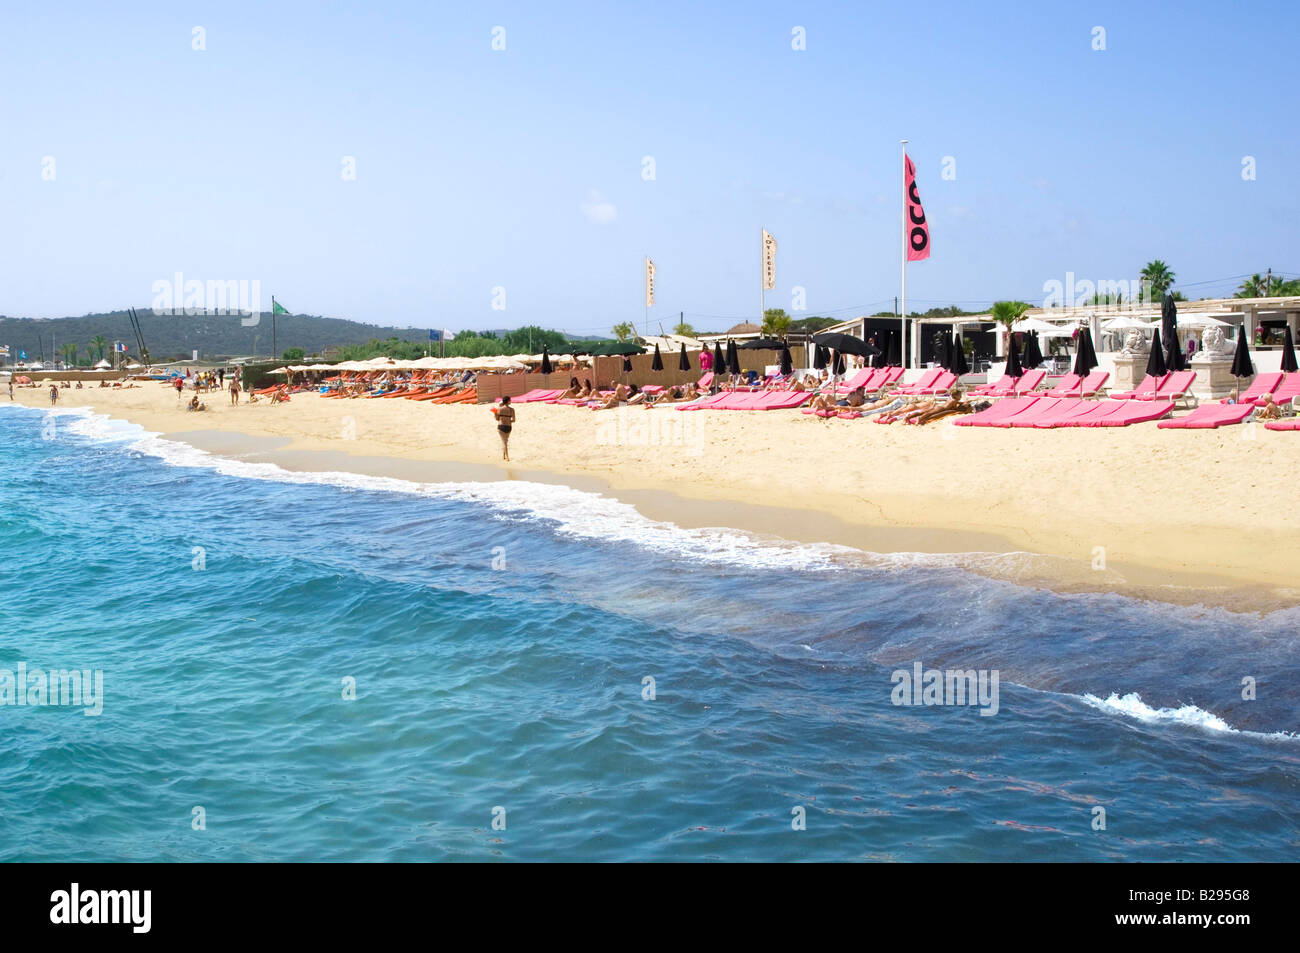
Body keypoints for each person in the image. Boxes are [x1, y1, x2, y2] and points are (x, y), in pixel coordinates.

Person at [492, 395, 515, 460]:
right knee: (505, 441)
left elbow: (497, 419)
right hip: (509, 427)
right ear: (508, 401)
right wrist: (508, 420)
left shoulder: (499, 409)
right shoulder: (512, 410)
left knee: (504, 442)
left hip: (501, 426)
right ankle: (504, 456)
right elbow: (514, 420)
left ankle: (507, 457)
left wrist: (495, 413)